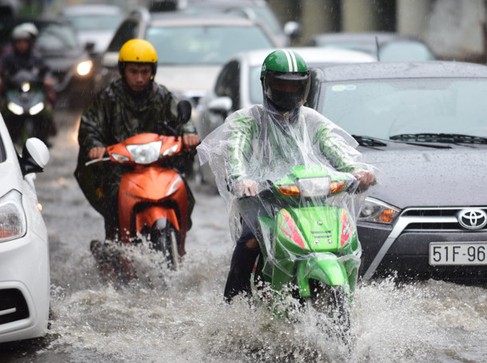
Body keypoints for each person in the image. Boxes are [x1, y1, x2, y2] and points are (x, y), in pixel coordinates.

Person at [198, 49, 375, 302]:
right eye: (280, 85)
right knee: (250, 243)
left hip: (308, 202)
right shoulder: (249, 120)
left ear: (304, 87)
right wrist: (241, 179)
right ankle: (234, 305)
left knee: (343, 240)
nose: (287, 92)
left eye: (295, 86)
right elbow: (235, 150)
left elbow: (335, 148)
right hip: (262, 202)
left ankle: (349, 297)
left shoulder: (312, 121)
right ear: (266, 84)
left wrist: (356, 172)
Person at [74, 38, 200, 242]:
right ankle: (115, 246)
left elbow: (181, 120)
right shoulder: (108, 97)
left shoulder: (163, 96)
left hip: (158, 164)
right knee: (113, 200)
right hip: (120, 167)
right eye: (134, 71)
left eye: (145, 72)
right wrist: (96, 146)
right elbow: (89, 126)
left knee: (184, 192)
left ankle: (180, 235)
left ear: (153, 71)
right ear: (123, 70)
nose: (140, 78)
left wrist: (188, 134)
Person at [0, 22, 56, 145]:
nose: (22, 45)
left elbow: (46, 71)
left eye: (24, 42)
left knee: (45, 112)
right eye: (19, 42)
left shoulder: (36, 56)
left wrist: (46, 79)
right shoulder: (8, 57)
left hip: (33, 93)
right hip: (14, 92)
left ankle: (45, 136)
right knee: (5, 112)